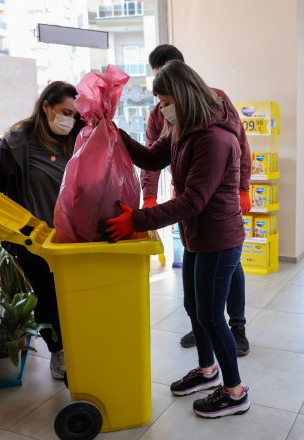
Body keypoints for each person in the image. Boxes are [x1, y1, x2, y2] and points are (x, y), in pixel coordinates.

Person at [102, 60, 250, 418]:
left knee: (213, 316)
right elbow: (153, 157)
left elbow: (192, 201)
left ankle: (235, 391)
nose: (161, 108)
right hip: (197, 236)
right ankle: (206, 370)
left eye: (165, 100)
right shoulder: (184, 128)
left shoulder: (215, 138)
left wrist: (137, 218)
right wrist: (116, 134)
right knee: (193, 307)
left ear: (183, 96)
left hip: (219, 238)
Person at [0, 81, 84, 381]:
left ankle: (82, 347)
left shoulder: (78, 134)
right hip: (35, 240)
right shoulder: (17, 143)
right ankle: (59, 354)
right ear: (46, 106)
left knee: (76, 294)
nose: (69, 119)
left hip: (74, 236)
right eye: (64, 112)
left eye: (74, 114)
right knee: (48, 296)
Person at [141, 44, 252, 356]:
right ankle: (203, 326)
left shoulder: (216, 100)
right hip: (188, 205)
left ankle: (237, 325)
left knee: (228, 267)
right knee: (198, 288)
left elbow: (240, 141)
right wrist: (149, 196)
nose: (164, 105)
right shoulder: (160, 112)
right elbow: (153, 153)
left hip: (216, 204)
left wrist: (244, 186)